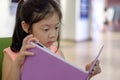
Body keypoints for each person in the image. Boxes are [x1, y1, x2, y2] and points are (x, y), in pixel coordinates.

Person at [2, 0, 101, 80]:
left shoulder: (57, 52)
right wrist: (18, 62)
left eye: (56, 27)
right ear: (26, 26)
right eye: (46, 29)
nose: (53, 35)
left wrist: (88, 75)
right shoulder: (11, 54)